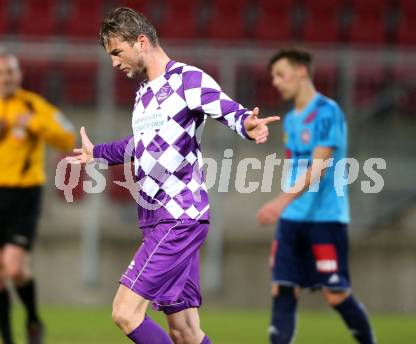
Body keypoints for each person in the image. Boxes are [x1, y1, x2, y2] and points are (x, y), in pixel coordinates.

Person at [67, 7, 279, 344]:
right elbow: (141, 146)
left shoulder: (187, 79)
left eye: (117, 52)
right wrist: (98, 154)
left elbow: (226, 109)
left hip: (178, 218)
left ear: (141, 42)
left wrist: (247, 124)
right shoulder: (144, 94)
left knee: (125, 312)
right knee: (185, 332)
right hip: (156, 220)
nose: (114, 63)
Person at [257, 48, 376, 344]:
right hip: (291, 220)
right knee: (282, 288)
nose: (275, 82)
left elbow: (320, 165)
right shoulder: (290, 121)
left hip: (325, 219)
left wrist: (281, 200)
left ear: (301, 72)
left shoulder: (327, 112)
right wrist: (285, 207)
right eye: (273, 76)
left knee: (336, 294)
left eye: (280, 74)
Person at [0, 49, 75, 344]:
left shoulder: (32, 106)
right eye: (2, 73)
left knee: (15, 268)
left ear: (19, 75)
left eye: (11, 72)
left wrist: (33, 124)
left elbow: (67, 136)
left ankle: (32, 319)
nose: (7, 78)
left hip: (24, 194)